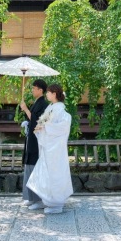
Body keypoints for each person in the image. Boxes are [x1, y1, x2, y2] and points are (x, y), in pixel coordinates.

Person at [26, 83, 73, 214]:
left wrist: (45, 127)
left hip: (55, 148)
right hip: (48, 146)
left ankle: (56, 204)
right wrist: (40, 128)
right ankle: (45, 199)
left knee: (54, 173)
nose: (46, 94)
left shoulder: (61, 110)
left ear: (54, 94)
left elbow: (62, 127)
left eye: (48, 92)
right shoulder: (51, 107)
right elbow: (44, 122)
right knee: (44, 172)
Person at [18, 79, 48, 206]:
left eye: (34, 88)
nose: (32, 90)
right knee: (29, 165)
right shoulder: (37, 102)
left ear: (40, 90)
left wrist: (26, 109)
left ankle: (38, 199)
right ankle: (30, 198)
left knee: (35, 166)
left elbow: (37, 121)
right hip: (31, 138)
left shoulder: (44, 104)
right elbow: (31, 119)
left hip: (37, 140)